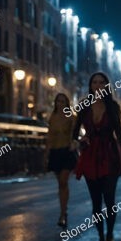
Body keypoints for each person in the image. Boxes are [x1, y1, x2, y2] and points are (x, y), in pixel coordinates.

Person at [72, 72, 121, 241]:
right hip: (90, 156)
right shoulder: (84, 106)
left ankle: (110, 236)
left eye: (101, 82)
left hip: (110, 155)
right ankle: (101, 238)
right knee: (96, 203)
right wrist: (81, 140)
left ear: (106, 85)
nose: (98, 85)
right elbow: (74, 133)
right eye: (94, 82)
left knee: (110, 200)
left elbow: (119, 133)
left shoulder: (112, 107)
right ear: (90, 85)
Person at [45, 93, 77, 228]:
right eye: (58, 101)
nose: (60, 104)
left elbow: (74, 133)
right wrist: (47, 153)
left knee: (64, 181)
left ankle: (63, 214)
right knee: (60, 184)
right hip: (55, 152)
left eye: (63, 101)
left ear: (67, 103)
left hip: (67, 152)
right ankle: (63, 211)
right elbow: (49, 136)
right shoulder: (52, 118)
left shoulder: (72, 117)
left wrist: (73, 143)